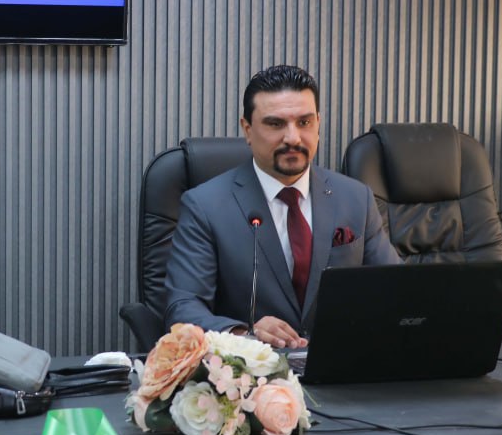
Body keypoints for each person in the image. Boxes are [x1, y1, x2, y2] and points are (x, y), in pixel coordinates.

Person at [164, 65, 399, 348]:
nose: (293, 138)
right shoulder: (205, 206)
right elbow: (183, 309)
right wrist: (243, 334)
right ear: (248, 130)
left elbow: (397, 290)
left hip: (340, 362)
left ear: (318, 123)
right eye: (275, 124)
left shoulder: (356, 197)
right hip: (253, 368)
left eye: (304, 122)